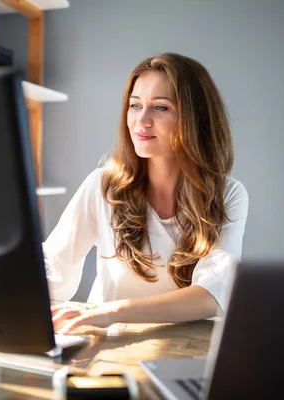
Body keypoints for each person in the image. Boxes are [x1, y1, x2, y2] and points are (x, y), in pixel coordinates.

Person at [44, 53, 249, 335]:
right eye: (135, 105)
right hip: (109, 350)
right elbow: (54, 264)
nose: (142, 120)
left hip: (184, 353)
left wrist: (111, 311)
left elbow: (212, 294)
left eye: (161, 108)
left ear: (194, 118)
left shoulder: (228, 196)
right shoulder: (102, 186)